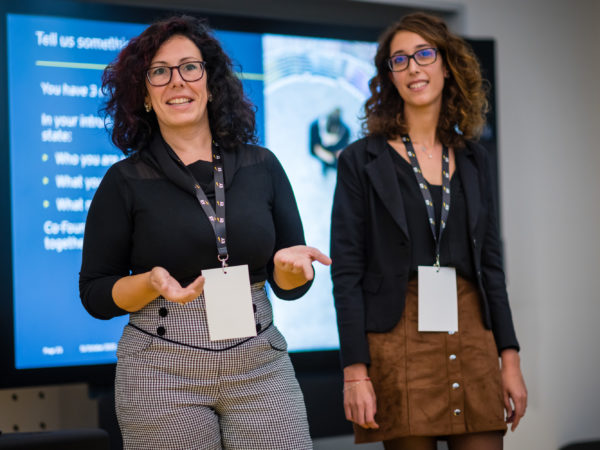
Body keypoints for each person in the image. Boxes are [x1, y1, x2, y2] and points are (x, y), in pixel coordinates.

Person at [79, 15, 330, 450]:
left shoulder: (263, 165)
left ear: (211, 85)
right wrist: (150, 283)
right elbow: (95, 293)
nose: (177, 81)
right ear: (144, 95)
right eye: (159, 72)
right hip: (160, 369)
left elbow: (289, 287)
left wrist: (291, 272)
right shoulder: (124, 181)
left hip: (261, 364)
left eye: (190, 67)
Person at [330, 12, 527, 450]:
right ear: (389, 77)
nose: (413, 68)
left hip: (473, 335)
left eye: (424, 54)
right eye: (399, 60)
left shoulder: (474, 158)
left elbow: (491, 265)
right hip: (398, 340)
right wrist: (354, 372)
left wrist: (509, 359)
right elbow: (346, 273)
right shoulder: (360, 161)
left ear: (447, 64)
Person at [309, 107, 350, 173]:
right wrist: (328, 156)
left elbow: (340, 156)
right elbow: (313, 150)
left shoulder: (345, 133)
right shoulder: (315, 126)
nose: (329, 141)